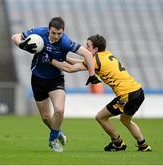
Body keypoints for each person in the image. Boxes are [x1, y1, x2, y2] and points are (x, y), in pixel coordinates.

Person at [11, 17, 100, 152]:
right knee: (46, 118)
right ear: (49, 30)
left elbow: (87, 54)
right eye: (54, 33)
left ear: (63, 32)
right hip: (37, 79)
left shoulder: (65, 42)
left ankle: (53, 140)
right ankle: (57, 132)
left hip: (55, 79)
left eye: (59, 33)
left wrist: (92, 75)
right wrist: (22, 44)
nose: (57, 36)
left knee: (59, 110)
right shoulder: (39, 33)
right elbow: (15, 36)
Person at [50, 34, 152, 152]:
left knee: (100, 117)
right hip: (138, 91)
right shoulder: (105, 54)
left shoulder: (95, 60)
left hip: (126, 95)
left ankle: (118, 143)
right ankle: (143, 145)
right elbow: (81, 63)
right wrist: (65, 57)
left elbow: (70, 69)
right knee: (125, 120)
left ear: (96, 49)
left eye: (88, 46)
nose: (85, 48)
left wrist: (50, 60)